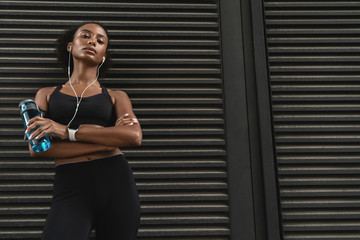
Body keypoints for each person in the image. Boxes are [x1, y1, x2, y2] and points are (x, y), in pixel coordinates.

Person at [24, 22, 141, 239]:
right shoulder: (46, 94)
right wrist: (109, 140)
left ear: (104, 54)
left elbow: (133, 136)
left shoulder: (117, 96)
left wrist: (66, 132)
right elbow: (38, 149)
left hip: (117, 184)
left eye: (100, 40)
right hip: (71, 186)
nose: (92, 42)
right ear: (69, 46)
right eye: (85, 36)